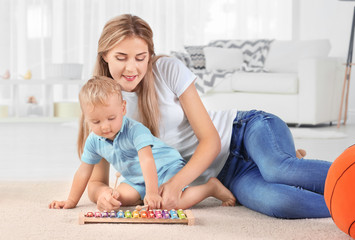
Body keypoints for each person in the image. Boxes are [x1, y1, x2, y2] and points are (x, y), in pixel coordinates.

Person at [79, 14, 332, 218]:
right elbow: (96, 181)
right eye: (121, 58)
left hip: (243, 131)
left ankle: (292, 161)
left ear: (150, 56)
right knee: (281, 203)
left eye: (140, 58)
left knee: (279, 170)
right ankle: (347, 203)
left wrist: (177, 184)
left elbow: (211, 140)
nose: (131, 67)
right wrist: (102, 194)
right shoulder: (101, 106)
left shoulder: (167, 70)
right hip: (226, 174)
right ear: (105, 56)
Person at [49, 76, 235, 210]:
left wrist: (153, 192)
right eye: (96, 122)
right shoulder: (93, 140)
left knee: (170, 204)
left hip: (165, 169)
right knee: (119, 199)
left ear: (123, 108)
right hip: (135, 178)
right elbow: (84, 171)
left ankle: (210, 187)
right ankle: (144, 196)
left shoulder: (135, 130)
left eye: (111, 118)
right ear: (86, 119)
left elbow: (147, 161)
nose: (105, 127)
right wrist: (71, 201)